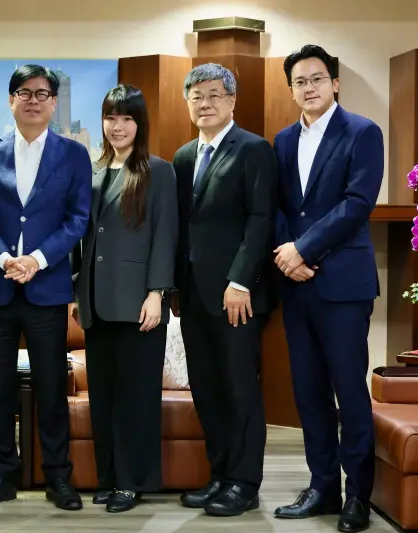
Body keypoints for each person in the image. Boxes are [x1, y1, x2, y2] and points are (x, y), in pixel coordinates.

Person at [0, 64, 92, 511]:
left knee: (51, 387)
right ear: (11, 100)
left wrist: (36, 260)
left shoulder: (73, 155)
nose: (33, 100)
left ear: (53, 103)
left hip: (47, 289)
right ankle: (2, 475)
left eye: (42, 93)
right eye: (24, 92)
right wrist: (4, 259)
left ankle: (58, 476)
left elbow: (78, 219)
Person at [272, 44, 382, 533]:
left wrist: (303, 249)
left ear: (335, 83)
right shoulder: (282, 140)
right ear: (291, 89)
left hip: (343, 284)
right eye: (300, 81)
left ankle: (358, 496)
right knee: (309, 392)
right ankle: (322, 489)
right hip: (297, 286)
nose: (309, 88)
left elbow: (358, 202)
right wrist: (286, 255)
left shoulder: (362, 131)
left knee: (349, 392)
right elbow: (278, 206)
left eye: (317, 78)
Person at [172, 63, 277, 517]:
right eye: (197, 96)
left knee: (239, 390)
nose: (205, 103)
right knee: (207, 388)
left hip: (238, 295)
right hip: (193, 295)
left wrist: (239, 280)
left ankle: (244, 483)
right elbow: (182, 227)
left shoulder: (253, 149)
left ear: (232, 100)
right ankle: (219, 475)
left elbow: (261, 220)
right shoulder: (183, 157)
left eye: (214, 94)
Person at [72, 84, 178, 513]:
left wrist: (157, 293)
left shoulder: (159, 171)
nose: (117, 127)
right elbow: (81, 239)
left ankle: (133, 483)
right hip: (96, 303)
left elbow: (166, 235)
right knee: (104, 397)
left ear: (140, 123)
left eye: (126, 119)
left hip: (139, 303)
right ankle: (110, 478)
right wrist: (77, 292)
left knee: (137, 398)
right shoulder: (93, 170)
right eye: (110, 118)